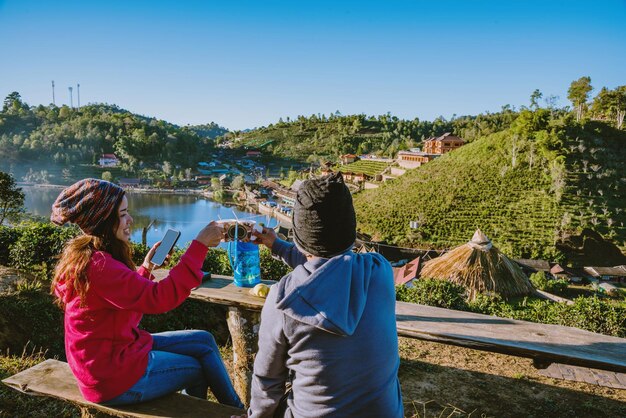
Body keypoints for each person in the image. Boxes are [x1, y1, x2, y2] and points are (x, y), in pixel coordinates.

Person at [50, 178, 243, 408]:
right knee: (197, 368)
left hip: (112, 358)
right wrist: (199, 246)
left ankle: (238, 411)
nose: (130, 219)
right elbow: (158, 298)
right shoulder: (100, 267)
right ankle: (235, 413)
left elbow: (127, 298)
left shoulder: (90, 257)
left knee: (203, 340)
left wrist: (147, 268)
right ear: (103, 221)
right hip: (111, 378)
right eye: (122, 214)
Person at [235, 172, 403, 418]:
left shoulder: (282, 300)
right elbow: (330, 266)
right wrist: (277, 245)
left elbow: (267, 383)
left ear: (298, 235)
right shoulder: (379, 271)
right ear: (350, 229)